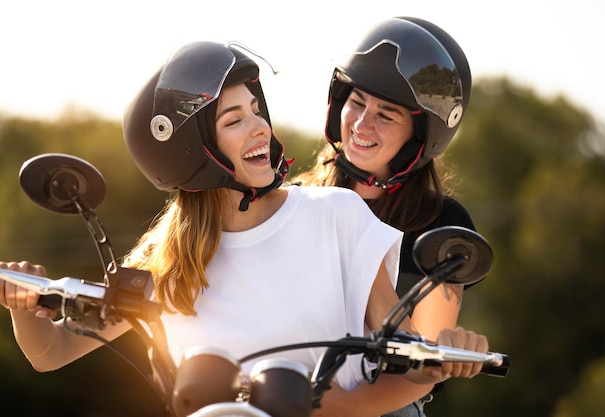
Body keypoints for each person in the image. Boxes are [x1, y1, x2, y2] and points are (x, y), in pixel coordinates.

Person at [0, 40, 488, 417]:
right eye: (235, 119)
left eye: (257, 110)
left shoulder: (335, 216)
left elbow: (411, 357)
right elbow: (51, 353)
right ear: (189, 150)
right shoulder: (166, 260)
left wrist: (443, 355)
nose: (260, 127)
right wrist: (23, 308)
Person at [292, 17, 479, 417]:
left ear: (419, 135)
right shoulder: (298, 199)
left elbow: (423, 359)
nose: (361, 124)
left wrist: (342, 407)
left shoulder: (443, 224)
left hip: (381, 404)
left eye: (386, 114)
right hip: (291, 389)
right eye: (356, 102)